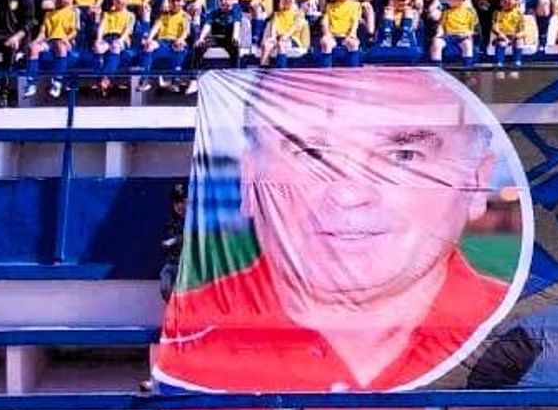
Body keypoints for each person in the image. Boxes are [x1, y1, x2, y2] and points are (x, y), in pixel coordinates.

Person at [154, 70, 513, 392]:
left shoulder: (521, 326)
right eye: (312, 153)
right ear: (250, 181)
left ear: (476, 183)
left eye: (403, 155)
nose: (348, 194)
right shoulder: (195, 330)